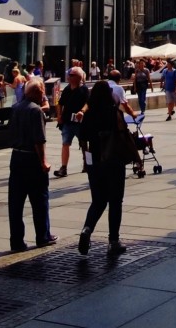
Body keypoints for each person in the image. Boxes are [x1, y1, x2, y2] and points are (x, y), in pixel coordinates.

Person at [78, 80, 132, 257]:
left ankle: (87, 229)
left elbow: (82, 136)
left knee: (98, 200)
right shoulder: (113, 112)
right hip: (113, 160)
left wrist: (87, 159)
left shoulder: (89, 114)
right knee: (116, 201)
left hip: (94, 160)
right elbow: (123, 135)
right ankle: (113, 241)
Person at [7, 77, 56, 252]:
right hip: (31, 159)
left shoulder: (15, 108)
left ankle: (16, 241)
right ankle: (42, 236)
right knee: (39, 199)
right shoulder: (36, 111)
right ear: (37, 92)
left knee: (15, 202)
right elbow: (39, 140)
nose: (44, 94)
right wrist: (43, 161)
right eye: (42, 90)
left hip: (16, 157)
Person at [53, 68, 90, 178]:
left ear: (79, 77)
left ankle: (87, 164)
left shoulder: (84, 89)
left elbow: (88, 103)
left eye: (72, 75)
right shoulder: (67, 90)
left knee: (84, 143)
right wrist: (59, 115)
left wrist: (82, 111)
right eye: (69, 75)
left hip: (80, 121)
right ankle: (63, 168)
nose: (69, 76)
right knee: (65, 143)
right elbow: (60, 103)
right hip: (67, 121)